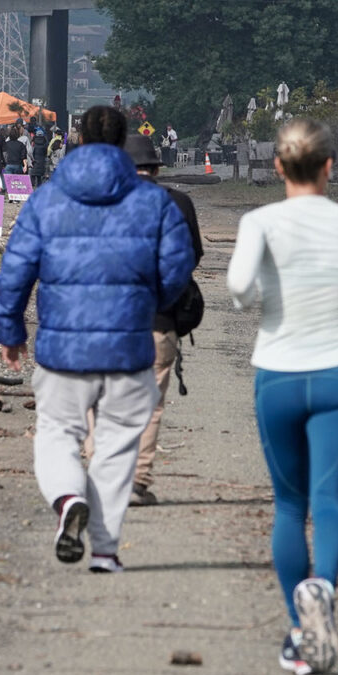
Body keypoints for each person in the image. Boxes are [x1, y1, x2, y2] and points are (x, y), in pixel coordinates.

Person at [228, 117, 338, 675]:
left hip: (277, 376)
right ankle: (322, 588)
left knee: (287, 505)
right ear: (330, 166)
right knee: (329, 502)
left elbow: (236, 288)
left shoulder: (259, 220)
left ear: (278, 167)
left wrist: (263, 294)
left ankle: (301, 631)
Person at [0, 105, 193, 576]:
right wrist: (147, 301)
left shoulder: (47, 199)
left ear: (77, 138)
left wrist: (11, 330)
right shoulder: (154, 201)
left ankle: (67, 499)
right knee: (119, 446)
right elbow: (178, 268)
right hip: (130, 347)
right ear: (125, 141)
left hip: (63, 350)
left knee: (59, 433)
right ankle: (104, 550)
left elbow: (16, 270)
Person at [120, 134, 204, 507]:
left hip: (104, 323)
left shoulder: (99, 202)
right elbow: (192, 256)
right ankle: (136, 482)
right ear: (155, 169)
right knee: (149, 404)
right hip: (158, 320)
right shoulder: (178, 202)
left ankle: (98, 472)